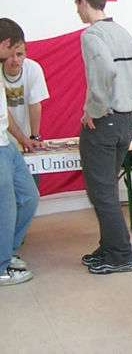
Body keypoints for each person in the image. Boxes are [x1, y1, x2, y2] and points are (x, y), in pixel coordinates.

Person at [71, 0, 132, 275]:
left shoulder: (92, 34)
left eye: (77, 5)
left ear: (84, 2)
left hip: (105, 121)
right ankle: (109, 246)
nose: (77, 11)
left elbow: (106, 70)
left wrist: (93, 109)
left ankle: (121, 254)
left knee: (102, 194)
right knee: (107, 190)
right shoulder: (122, 32)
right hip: (126, 120)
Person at [0, 18, 40, 286]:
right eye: (11, 50)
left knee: (29, 197)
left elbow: (5, 112)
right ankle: (1, 268)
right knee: (5, 208)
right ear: (5, 43)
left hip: (6, 142)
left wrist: (24, 138)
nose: (13, 58)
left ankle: (8, 250)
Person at [3, 40, 49, 184]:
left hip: (25, 141)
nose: (15, 60)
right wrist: (22, 138)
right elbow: (3, 112)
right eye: (10, 56)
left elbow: (35, 105)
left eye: (19, 54)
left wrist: (34, 137)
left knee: (32, 188)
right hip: (3, 141)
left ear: (25, 54)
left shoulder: (33, 69)